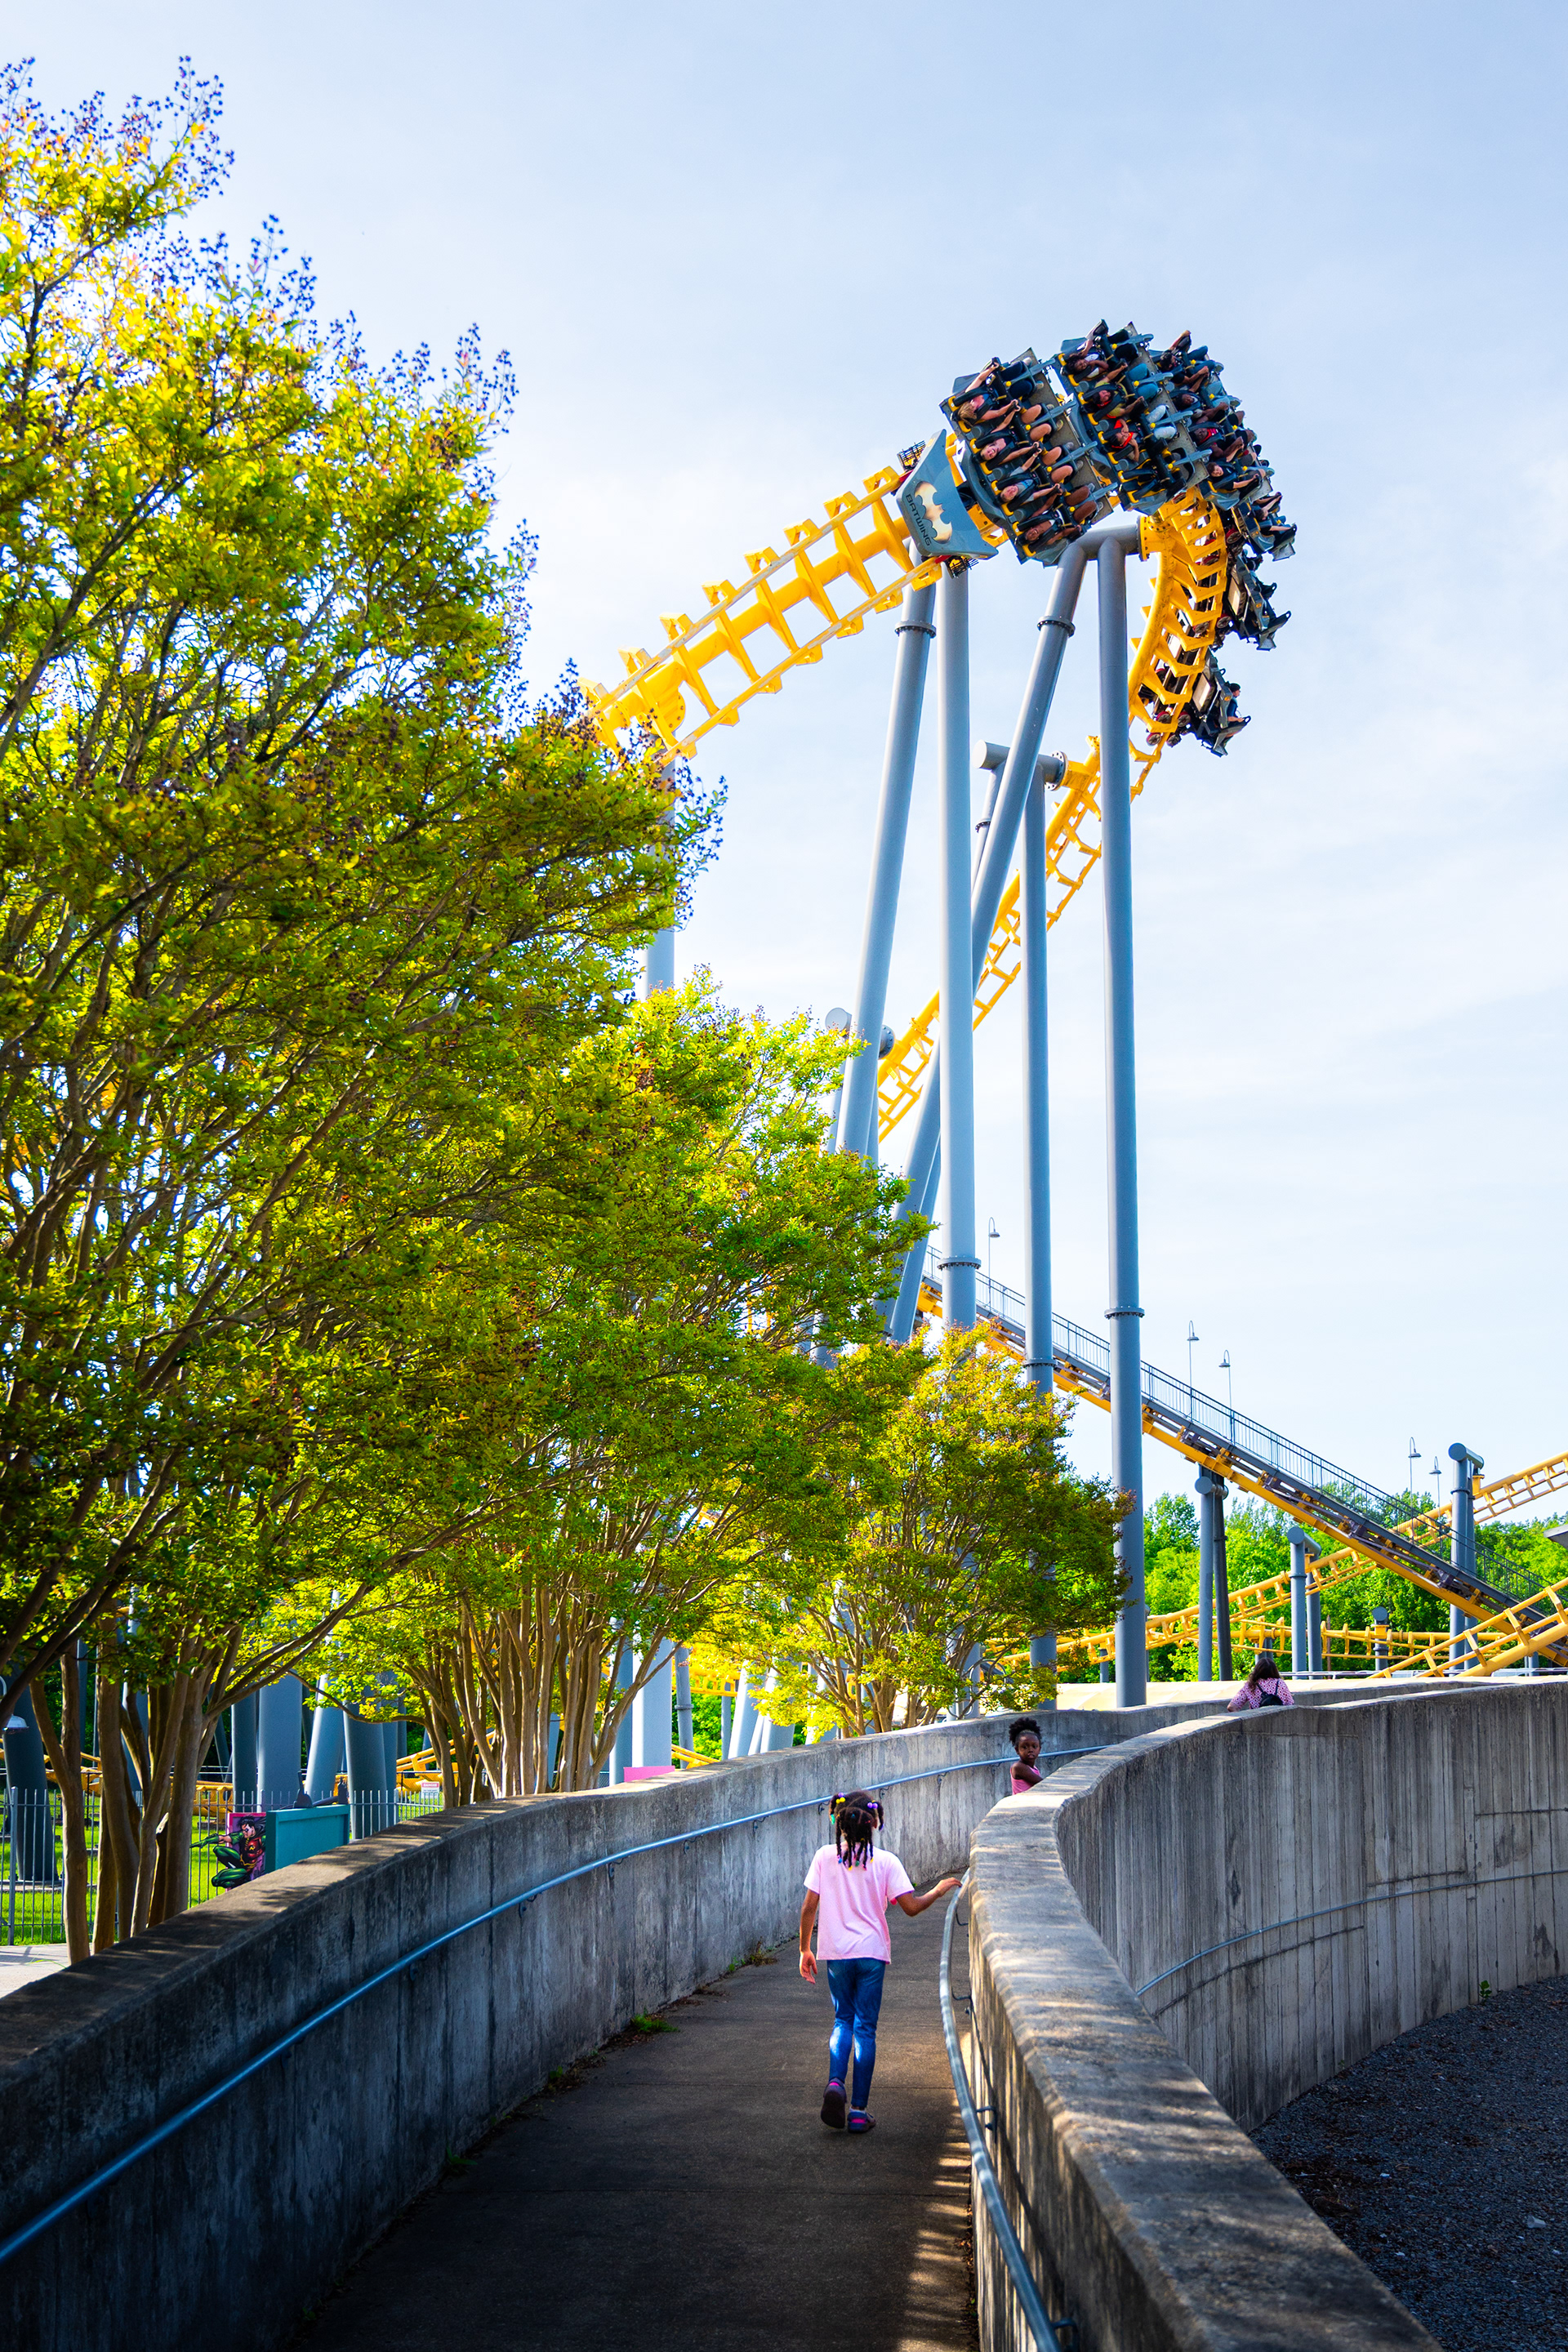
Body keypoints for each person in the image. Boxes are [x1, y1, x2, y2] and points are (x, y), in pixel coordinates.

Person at [799, 1790, 960, 2136]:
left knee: (842, 2019)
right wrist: (940, 1890)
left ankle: (835, 2084)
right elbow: (911, 1907)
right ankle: (858, 2112)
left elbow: (809, 1906)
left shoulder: (825, 1857)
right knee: (865, 2029)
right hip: (871, 1954)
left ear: (838, 1823)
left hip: (836, 1954)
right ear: (874, 1823)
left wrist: (804, 1949)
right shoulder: (886, 1861)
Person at [1227, 1650, 1294, 1709]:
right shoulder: (1280, 1683)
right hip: (1278, 1719)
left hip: (1257, 1721)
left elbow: (1231, 1707)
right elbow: (1290, 1704)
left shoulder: (1250, 1686)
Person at [1008, 1717, 1044, 1793]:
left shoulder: (1034, 1768)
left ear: (1039, 1749)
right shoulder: (1018, 1767)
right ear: (1017, 1750)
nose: (1030, 1750)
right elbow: (1043, 1783)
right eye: (1025, 1747)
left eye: (1034, 1747)